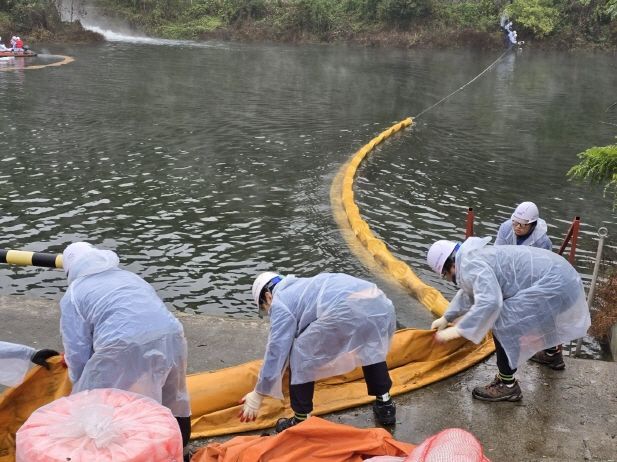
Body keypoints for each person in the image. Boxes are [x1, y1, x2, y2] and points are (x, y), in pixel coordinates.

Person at [60, 242, 192, 459]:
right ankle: (181, 452)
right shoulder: (129, 277)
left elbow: (77, 353)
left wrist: (80, 387)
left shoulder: (74, 294)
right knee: (174, 398)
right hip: (172, 335)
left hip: (122, 343)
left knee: (106, 406)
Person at [426, 237, 590, 402]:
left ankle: (507, 385)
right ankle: (552, 354)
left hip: (558, 286)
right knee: (539, 309)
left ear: (451, 265)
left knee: (502, 321)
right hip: (565, 280)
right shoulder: (471, 258)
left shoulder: (469, 265)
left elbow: (490, 302)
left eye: (445, 274)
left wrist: (460, 330)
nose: (447, 278)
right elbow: (471, 291)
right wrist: (447, 317)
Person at [239, 272, 397, 432]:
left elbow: (276, 350)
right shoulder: (303, 285)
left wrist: (258, 393)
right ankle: (386, 405)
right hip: (379, 304)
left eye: (265, 309)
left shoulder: (280, 302)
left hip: (346, 309)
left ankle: (301, 419)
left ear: (267, 296)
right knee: (370, 347)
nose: (269, 313)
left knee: (300, 354)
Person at [495, 201, 565, 370]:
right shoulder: (506, 228)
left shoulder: (542, 242)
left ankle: (552, 354)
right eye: (515, 223)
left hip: (534, 281)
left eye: (522, 225)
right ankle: (551, 353)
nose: (517, 228)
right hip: (510, 275)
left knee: (538, 315)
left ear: (532, 225)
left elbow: (537, 273)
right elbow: (496, 255)